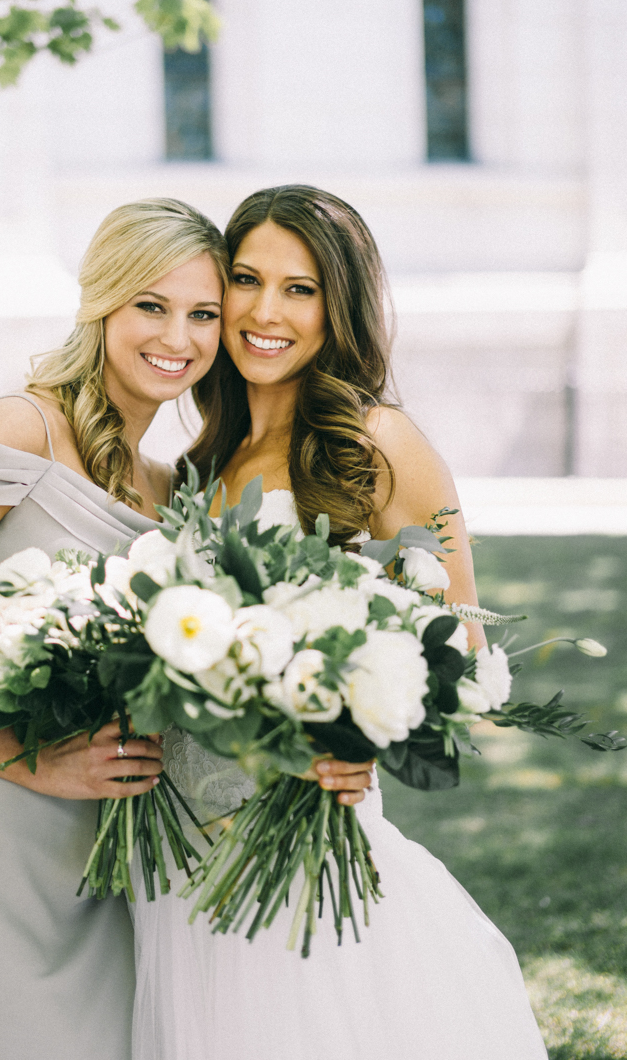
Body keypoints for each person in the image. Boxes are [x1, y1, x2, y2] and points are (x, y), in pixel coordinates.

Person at [0, 196, 370, 1060]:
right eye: (151, 306)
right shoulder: (23, 428)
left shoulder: (175, 487)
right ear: (102, 302)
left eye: (202, 314)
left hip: (112, 870)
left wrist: (324, 738)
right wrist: (30, 760)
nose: (178, 338)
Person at [128, 186, 549, 1060]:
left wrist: (362, 731)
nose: (264, 312)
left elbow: (461, 642)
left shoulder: (379, 440)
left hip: (307, 828)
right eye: (246, 279)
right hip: (178, 842)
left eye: (301, 288)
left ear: (339, 306)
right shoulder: (201, 462)